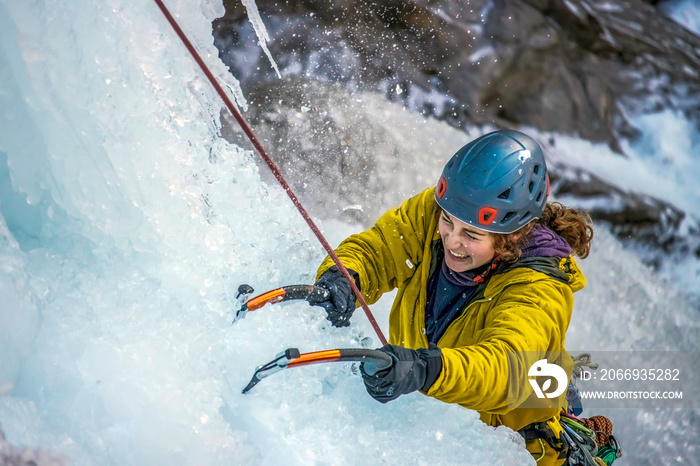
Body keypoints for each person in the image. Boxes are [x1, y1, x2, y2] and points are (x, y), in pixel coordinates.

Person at [313, 129, 593, 465]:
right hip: (432, 432)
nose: (451, 240)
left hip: (510, 451)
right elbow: (378, 250)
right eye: (448, 222)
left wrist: (425, 369)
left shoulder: (540, 288)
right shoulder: (443, 212)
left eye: (472, 234)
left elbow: (505, 371)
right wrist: (343, 279)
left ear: (513, 234)